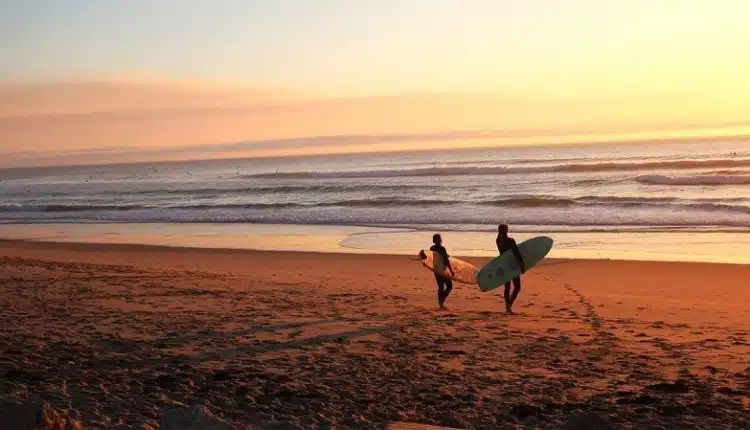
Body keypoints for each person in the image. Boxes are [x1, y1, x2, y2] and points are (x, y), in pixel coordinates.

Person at [496, 224, 526, 314]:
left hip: (504, 264)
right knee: (517, 287)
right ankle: (509, 305)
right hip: (512, 265)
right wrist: (522, 265)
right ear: (507, 230)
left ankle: (507, 307)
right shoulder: (510, 240)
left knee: (507, 287)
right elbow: (516, 253)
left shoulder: (498, 240)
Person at [430, 233, 454, 310]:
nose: (441, 239)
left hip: (436, 270)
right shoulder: (442, 248)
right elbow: (446, 260)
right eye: (440, 238)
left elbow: (432, 258)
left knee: (441, 287)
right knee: (449, 286)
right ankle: (441, 302)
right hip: (442, 270)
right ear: (438, 240)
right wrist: (451, 270)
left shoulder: (432, 248)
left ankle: (441, 304)